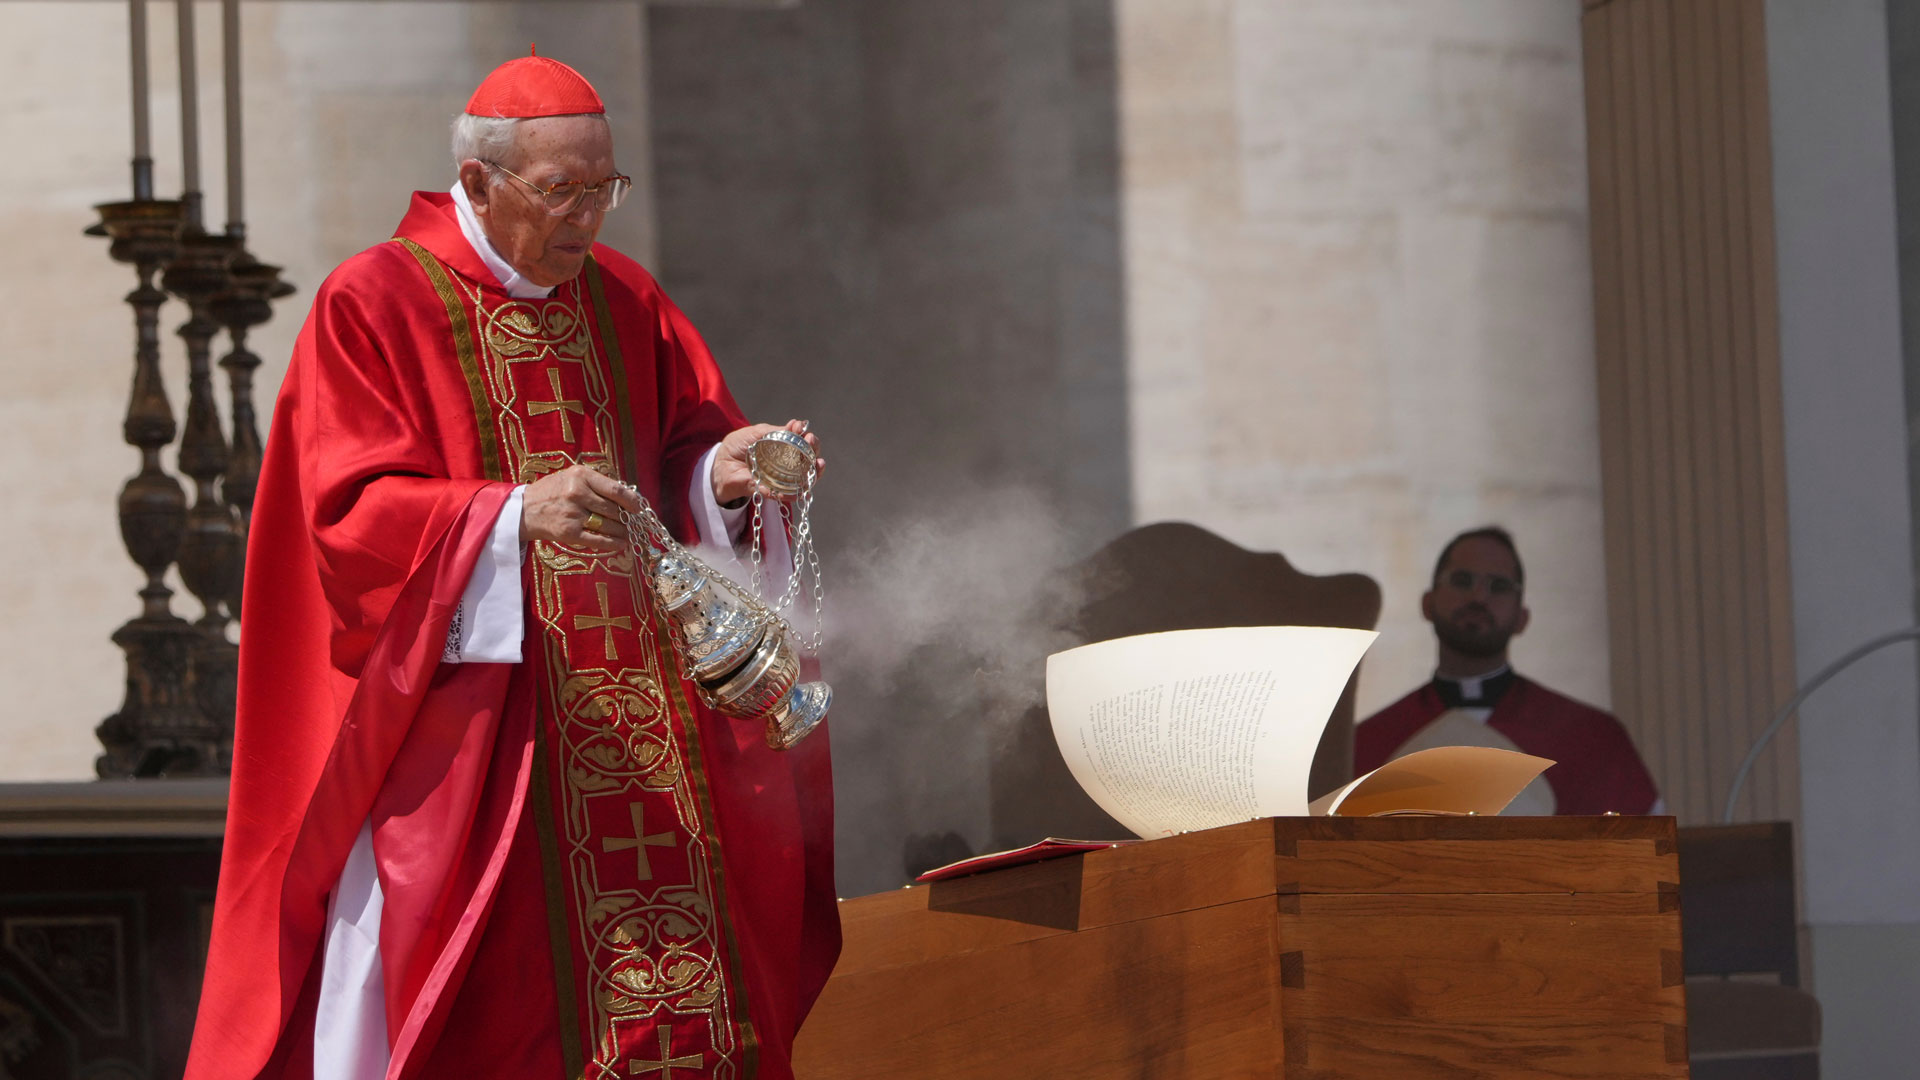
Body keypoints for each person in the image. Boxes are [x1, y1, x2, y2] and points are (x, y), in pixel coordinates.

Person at [185, 53, 839, 1080]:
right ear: (480, 183)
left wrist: (723, 472)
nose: (587, 218)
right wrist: (507, 517)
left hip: (650, 744)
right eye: (559, 192)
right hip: (489, 753)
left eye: (603, 188)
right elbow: (350, 521)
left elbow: (671, 460)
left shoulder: (626, 299)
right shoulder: (377, 301)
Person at [1354, 526, 1662, 815]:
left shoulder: (1591, 739)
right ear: (1427, 603)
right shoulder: (1368, 743)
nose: (1478, 597)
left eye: (1498, 586)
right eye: (1462, 580)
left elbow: (1640, 856)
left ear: (1522, 618)